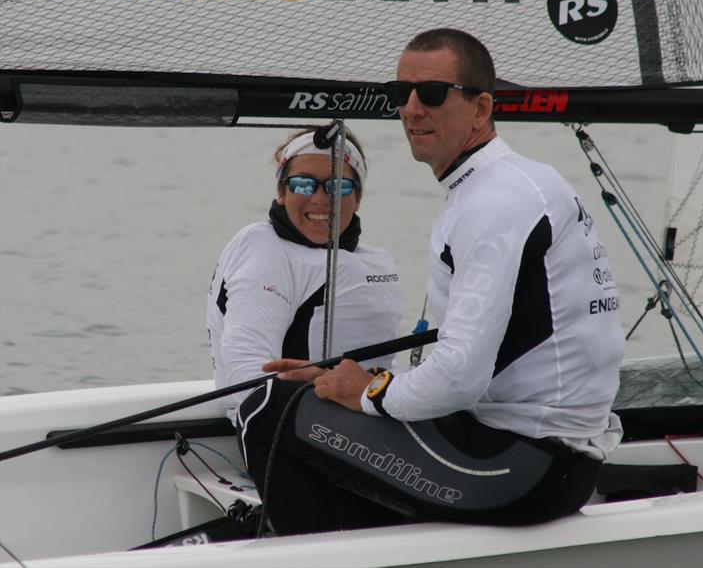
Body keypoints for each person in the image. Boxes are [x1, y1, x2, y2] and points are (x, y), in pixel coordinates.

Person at [261, 29, 626, 532]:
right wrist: (339, 378)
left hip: (525, 467)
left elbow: (458, 376)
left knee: (273, 407)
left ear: (480, 109)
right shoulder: (514, 182)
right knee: (312, 394)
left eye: (431, 94)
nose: (411, 110)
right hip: (536, 451)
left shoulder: (493, 202)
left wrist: (367, 392)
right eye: (399, 94)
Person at [206, 124, 405, 532]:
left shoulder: (371, 260)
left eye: (338, 187)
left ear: (359, 196)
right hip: (291, 432)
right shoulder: (266, 251)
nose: (319, 199)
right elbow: (247, 377)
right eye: (302, 184)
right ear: (281, 192)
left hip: (365, 416)